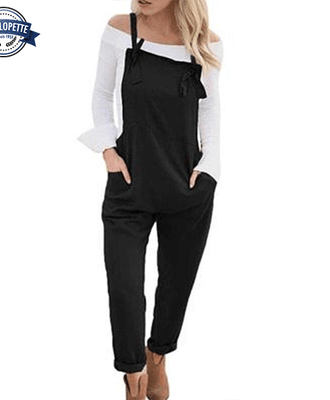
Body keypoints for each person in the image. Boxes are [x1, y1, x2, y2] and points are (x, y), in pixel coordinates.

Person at [78, 0, 223, 398]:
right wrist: (108, 152)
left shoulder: (205, 42)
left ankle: (157, 355)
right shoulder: (120, 29)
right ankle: (132, 373)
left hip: (187, 186)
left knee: (176, 284)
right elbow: (101, 95)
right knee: (124, 288)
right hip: (130, 183)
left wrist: (210, 170)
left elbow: (210, 112)